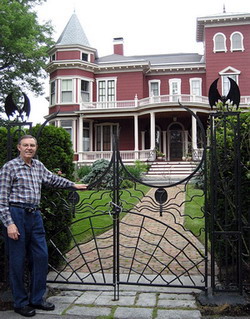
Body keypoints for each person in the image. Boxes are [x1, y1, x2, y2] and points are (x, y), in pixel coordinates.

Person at [0, 135, 87, 317]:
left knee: (41, 256)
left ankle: (37, 299)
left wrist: (73, 185)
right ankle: (20, 302)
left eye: (32, 145)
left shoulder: (38, 166)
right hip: (16, 215)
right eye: (26, 145)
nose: (29, 148)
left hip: (34, 215)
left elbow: (53, 179)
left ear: (36, 148)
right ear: (19, 147)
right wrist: (9, 224)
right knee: (17, 261)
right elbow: (2, 199)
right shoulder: (10, 167)